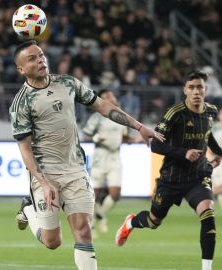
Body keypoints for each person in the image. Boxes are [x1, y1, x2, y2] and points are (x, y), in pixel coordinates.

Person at [10, 40, 164, 270]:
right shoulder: (21, 104)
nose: (40, 60)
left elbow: (103, 106)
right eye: (32, 58)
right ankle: (28, 209)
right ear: (21, 69)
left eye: (41, 55)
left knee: (83, 231)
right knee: (53, 242)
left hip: (75, 169)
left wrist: (139, 127)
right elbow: (25, 148)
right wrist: (42, 182)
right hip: (46, 174)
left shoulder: (68, 83)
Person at [115, 70, 222, 270]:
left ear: (205, 90)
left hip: (197, 177)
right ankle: (130, 222)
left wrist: (218, 153)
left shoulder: (210, 111)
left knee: (208, 213)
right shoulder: (175, 113)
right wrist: (183, 153)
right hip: (171, 179)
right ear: (185, 90)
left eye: (200, 87)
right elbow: (155, 145)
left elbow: (206, 134)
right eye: (192, 87)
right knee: (154, 221)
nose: (196, 91)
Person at [82, 89, 142, 237]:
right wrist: (96, 137)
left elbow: (125, 137)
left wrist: (137, 139)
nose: (111, 97)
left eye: (112, 95)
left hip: (115, 156)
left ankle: (100, 215)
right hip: (100, 156)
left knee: (115, 194)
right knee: (94, 194)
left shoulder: (121, 117)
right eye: (106, 96)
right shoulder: (97, 117)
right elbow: (86, 135)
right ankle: (91, 225)